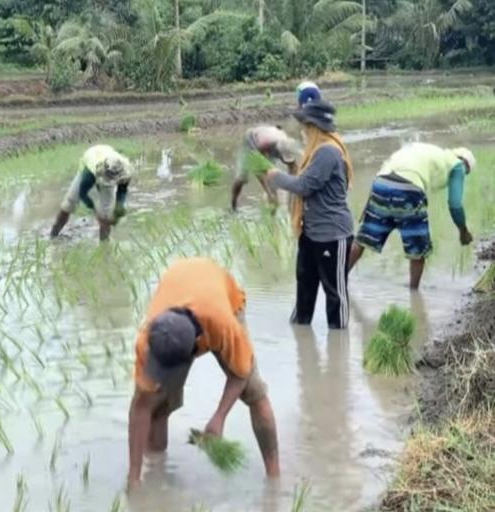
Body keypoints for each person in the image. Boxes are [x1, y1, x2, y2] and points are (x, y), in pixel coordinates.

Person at [127, 257, 279, 487]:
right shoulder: (148, 340)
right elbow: (140, 406)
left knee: (255, 393)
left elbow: (241, 373)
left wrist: (219, 418)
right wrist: (134, 478)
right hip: (179, 285)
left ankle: (275, 478)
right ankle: (156, 472)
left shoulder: (224, 326)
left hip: (220, 295)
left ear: (196, 347)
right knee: (155, 402)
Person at [265, 100, 354, 329]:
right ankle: (301, 339)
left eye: (305, 126)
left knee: (335, 295)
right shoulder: (315, 151)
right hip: (311, 233)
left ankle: (339, 347)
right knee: (304, 288)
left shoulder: (327, 152)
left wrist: (275, 177)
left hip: (332, 235)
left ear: (314, 127)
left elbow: (305, 186)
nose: (303, 131)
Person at [349, 144, 476, 289]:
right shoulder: (458, 165)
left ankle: (338, 279)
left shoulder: (428, 151)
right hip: (409, 190)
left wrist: (370, 206)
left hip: (381, 184)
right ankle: (414, 294)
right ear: (466, 165)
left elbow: (384, 170)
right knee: (418, 248)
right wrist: (463, 231)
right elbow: (455, 204)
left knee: (363, 239)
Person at [50, 144, 133, 242]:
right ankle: (53, 235)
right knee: (70, 202)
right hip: (92, 162)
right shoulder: (90, 170)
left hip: (107, 156)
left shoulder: (126, 171)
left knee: (105, 214)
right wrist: (94, 209)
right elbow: (82, 193)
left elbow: (122, 191)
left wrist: (119, 207)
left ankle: (104, 247)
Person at [231, 125, 303, 209]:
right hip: (250, 142)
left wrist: (293, 197)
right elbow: (258, 170)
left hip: (271, 139)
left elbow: (294, 170)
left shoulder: (289, 145)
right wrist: (268, 191)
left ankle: (273, 218)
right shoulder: (264, 144)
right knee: (241, 178)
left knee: (273, 186)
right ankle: (233, 204)